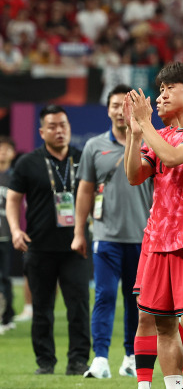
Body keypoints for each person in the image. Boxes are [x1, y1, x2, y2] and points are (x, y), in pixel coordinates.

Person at [124, 62, 183, 389]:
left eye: (169, 89)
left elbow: (174, 157)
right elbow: (135, 175)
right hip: (157, 241)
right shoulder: (159, 134)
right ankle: (175, 386)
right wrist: (134, 135)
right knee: (163, 325)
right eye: (160, 89)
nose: (161, 96)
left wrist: (146, 124)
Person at [73, 84, 153, 379]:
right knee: (104, 296)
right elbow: (84, 191)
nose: (121, 110)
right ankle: (101, 359)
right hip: (106, 236)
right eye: (116, 105)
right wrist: (79, 232)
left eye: (127, 104)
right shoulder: (94, 146)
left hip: (143, 237)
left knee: (138, 302)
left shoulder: (151, 142)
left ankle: (131, 357)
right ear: (107, 109)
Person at [6, 105, 90, 375]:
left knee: (78, 307)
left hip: (75, 246)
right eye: (52, 126)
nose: (59, 131)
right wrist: (15, 230)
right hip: (38, 246)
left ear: (69, 127)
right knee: (42, 310)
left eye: (63, 125)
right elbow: (13, 199)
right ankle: (45, 362)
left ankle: (78, 361)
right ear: (42, 132)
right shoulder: (28, 162)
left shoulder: (82, 158)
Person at [0, 136, 16, 334]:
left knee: (5, 277)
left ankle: (7, 316)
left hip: (6, 234)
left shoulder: (15, 177)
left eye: (6, 149)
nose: (3, 152)